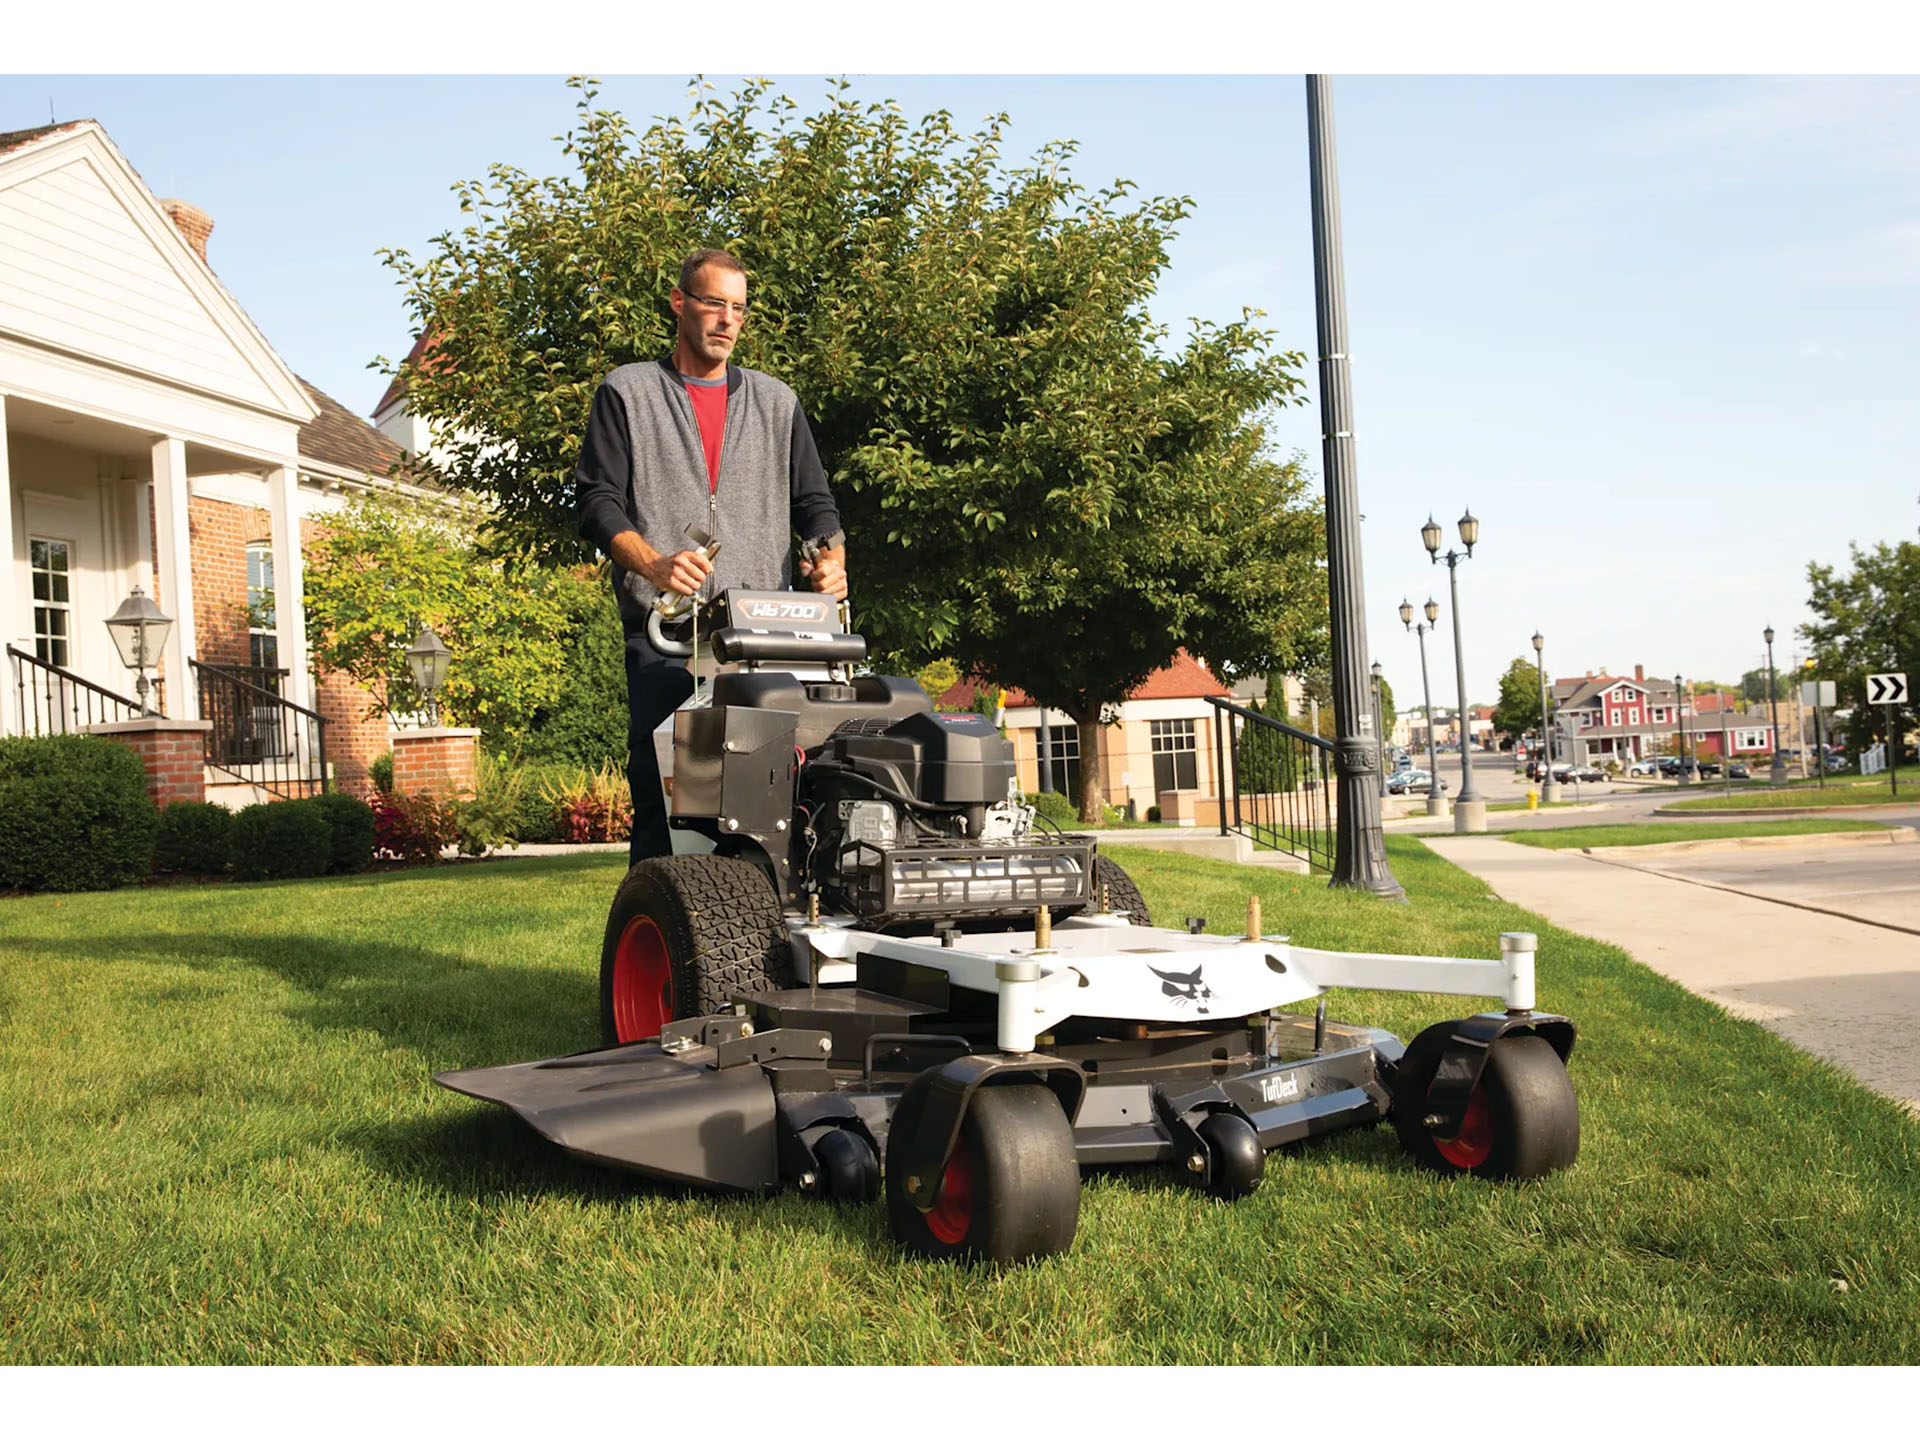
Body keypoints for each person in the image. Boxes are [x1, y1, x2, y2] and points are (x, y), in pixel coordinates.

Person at [574, 247, 848, 866]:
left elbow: (817, 506)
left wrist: (831, 559)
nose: (728, 320)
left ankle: (762, 923)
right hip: (669, 635)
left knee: (775, 808)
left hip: (765, 638)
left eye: (739, 309)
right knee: (669, 804)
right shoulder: (628, 392)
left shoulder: (777, 402)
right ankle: (659, 920)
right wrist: (654, 563)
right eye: (714, 303)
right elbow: (596, 502)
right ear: (679, 303)